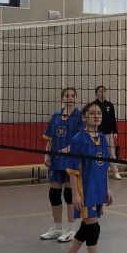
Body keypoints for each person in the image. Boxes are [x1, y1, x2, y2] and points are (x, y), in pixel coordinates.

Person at [55, 101, 114, 253]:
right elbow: (73, 169)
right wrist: (75, 194)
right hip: (85, 189)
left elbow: (104, 166)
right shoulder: (78, 139)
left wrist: (107, 188)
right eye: (92, 113)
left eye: (99, 113)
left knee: (86, 227)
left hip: (98, 189)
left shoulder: (103, 138)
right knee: (93, 227)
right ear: (84, 117)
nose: (96, 116)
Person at [40, 87, 82, 241]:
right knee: (54, 194)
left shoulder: (80, 116)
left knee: (69, 194)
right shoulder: (56, 116)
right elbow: (50, 138)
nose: (69, 98)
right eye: (66, 96)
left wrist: (69, 149)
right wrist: (46, 154)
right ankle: (57, 228)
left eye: (72, 96)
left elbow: (81, 139)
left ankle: (71, 229)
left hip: (71, 160)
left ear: (76, 98)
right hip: (56, 160)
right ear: (62, 99)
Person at [93, 85, 121, 181]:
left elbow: (113, 119)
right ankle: (99, 171)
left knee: (111, 153)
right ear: (96, 93)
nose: (102, 93)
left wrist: (115, 131)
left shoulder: (109, 105)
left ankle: (115, 171)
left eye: (104, 91)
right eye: (100, 91)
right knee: (98, 153)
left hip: (109, 133)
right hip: (98, 133)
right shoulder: (94, 105)